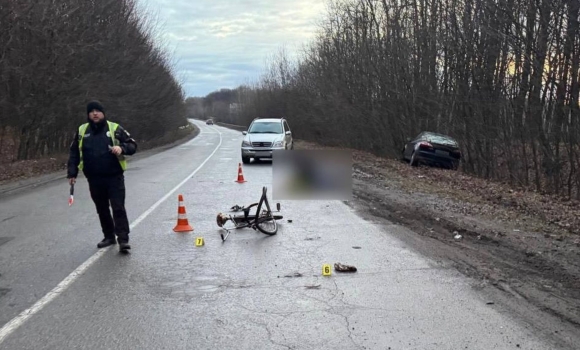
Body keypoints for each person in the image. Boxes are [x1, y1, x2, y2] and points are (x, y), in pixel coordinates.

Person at [67, 100, 137, 252]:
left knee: (118, 207)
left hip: (114, 176)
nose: (95, 113)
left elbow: (132, 145)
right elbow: (74, 153)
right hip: (94, 177)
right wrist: (72, 173)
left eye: (98, 110)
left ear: (103, 113)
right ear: (88, 114)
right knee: (102, 208)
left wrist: (122, 148)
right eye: (91, 111)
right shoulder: (82, 130)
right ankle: (109, 236)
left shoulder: (115, 128)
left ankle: (123, 240)